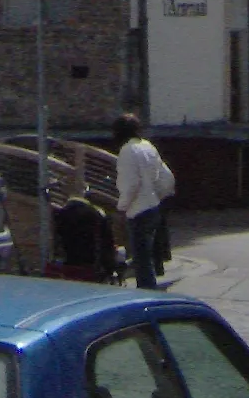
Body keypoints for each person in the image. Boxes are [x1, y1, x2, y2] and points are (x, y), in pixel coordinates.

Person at [112, 114, 175, 291]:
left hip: (138, 210)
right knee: (149, 257)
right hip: (154, 207)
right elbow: (167, 177)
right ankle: (151, 289)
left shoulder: (127, 151)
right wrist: (158, 196)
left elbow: (131, 184)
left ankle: (147, 295)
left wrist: (121, 207)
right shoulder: (148, 146)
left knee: (141, 260)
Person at [50, 171, 119, 282]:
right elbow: (107, 245)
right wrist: (110, 268)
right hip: (91, 269)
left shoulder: (59, 215)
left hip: (67, 267)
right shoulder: (97, 214)